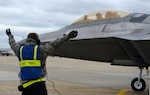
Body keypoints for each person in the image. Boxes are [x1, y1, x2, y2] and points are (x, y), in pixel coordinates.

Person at [6, 28, 78, 95]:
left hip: (25, 88)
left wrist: (10, 35)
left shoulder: (20, 50)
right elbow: (55, 44)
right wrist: (67, 36)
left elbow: (13, 44)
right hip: (39, 86)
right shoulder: (41, 50)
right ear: (37, 41)